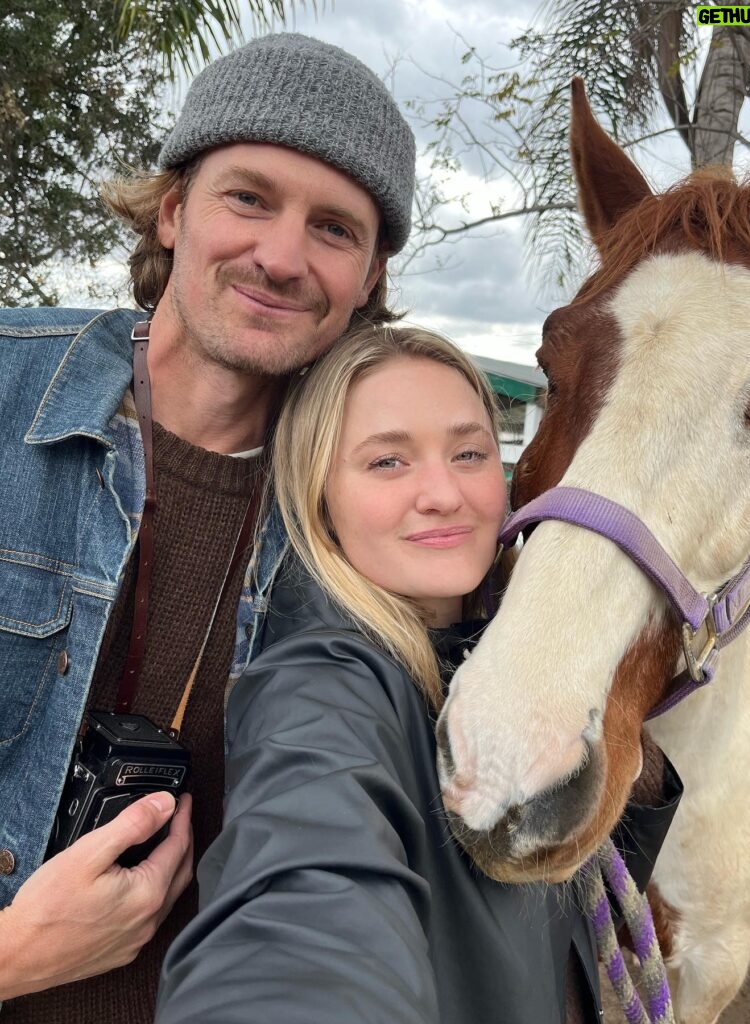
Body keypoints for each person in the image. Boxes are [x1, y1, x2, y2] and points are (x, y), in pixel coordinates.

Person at [0, 33, 415, 1023]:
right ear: (176, 209)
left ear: (367, 279)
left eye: (333, 228)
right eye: (249, 198)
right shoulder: (12, 392)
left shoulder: (369, 522)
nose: (280, 256)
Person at [155, 325, 682, 1024]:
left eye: (468, 453)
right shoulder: (320, 685)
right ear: (319, 499)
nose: (442, 493)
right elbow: (306, 891)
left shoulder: (510, 657)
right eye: (386, 463)